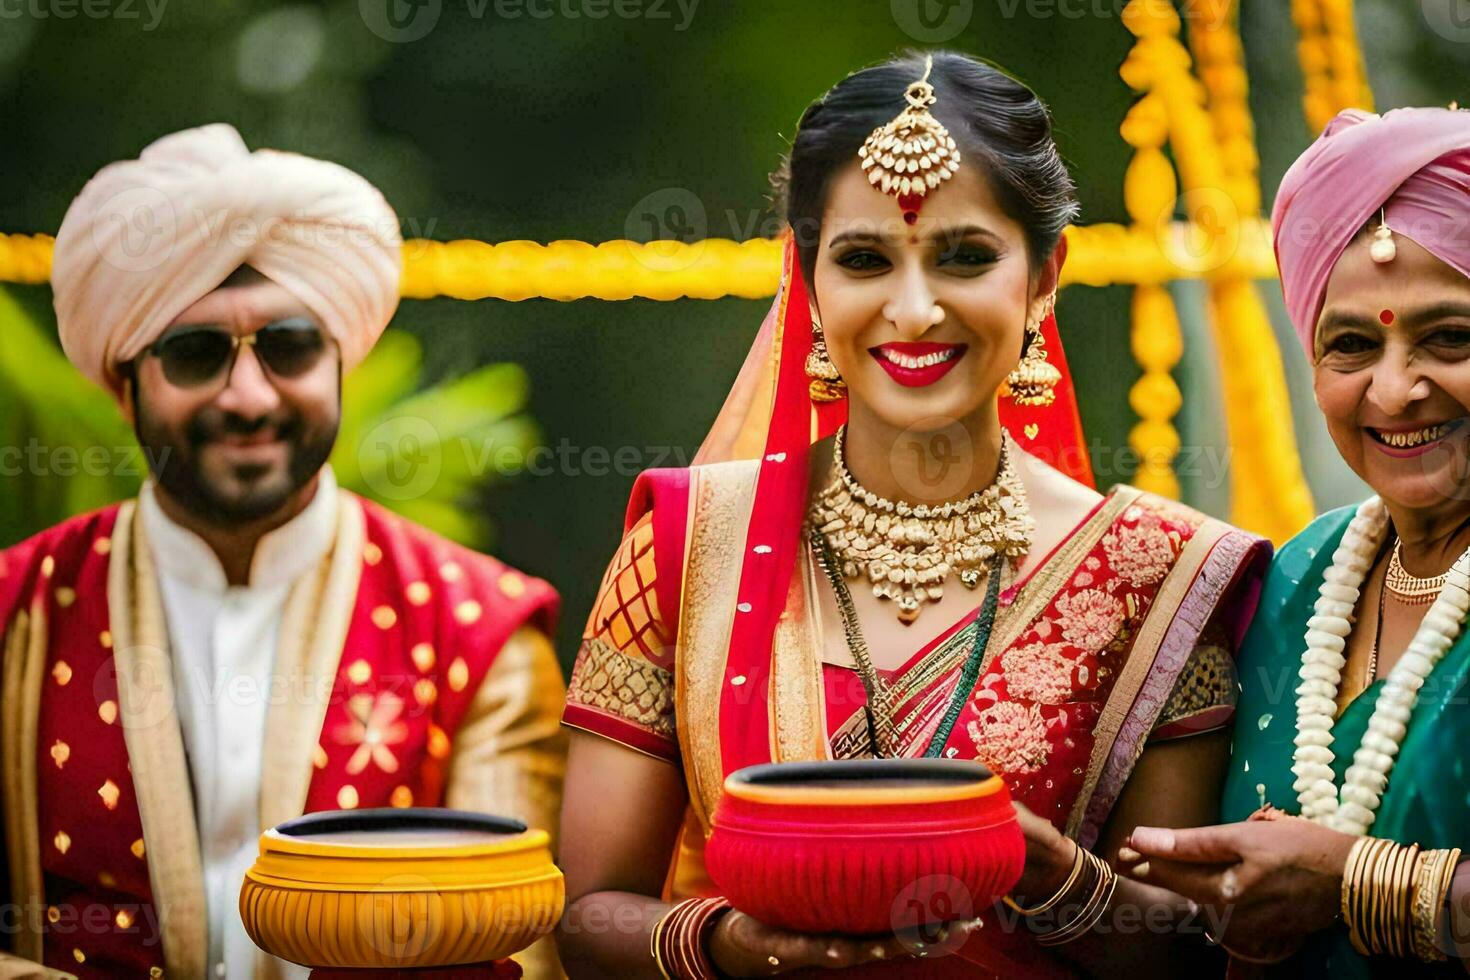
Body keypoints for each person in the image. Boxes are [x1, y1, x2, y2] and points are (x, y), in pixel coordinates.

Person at [555, 51, 1269, 978]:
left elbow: (1195, 953)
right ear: (807, 278)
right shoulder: (687, 549)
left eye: (966, 257)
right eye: (863, 260)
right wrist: (734, 945)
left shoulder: (1159, 576)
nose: (916, 309)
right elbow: (587, 917)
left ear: (1045, 274)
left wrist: (1043, 871)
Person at [0, 124, 567, 979]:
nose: (249, 395)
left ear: (339, 360)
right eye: (195, 354)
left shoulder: (479, 633)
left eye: (290, 347)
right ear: (124, 386)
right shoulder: (18, 612)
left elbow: (510, 952)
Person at [1116, 106, 1470, 976]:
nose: (1396, 391)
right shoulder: (1299, 576)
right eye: (1351, 345)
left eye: (1450, 337)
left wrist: (1355, 883)